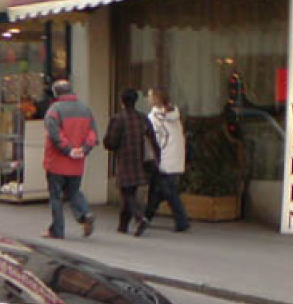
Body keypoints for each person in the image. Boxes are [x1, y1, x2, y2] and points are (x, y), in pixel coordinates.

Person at [41, 78, 98, 239]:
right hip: (77, 163)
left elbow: (55, 134)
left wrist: (68, 150)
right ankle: (85, 213)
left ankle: (57, 231)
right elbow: (92, 134)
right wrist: (84, 149)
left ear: (56, 93)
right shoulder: (85, 109)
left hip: (57, 162)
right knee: (73, 191)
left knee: (56, 197)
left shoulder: (54, 110)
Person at [102, 88, 160, 236]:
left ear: (122, 101)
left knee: (126, 191)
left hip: (125, 158)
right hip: (142, 160)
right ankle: (123, 225)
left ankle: (139, 217)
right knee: (129, 191)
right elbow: (153, 139)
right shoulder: (143, 118)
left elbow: (111, 142)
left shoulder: (118, 118)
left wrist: (107, 143)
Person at [142, 87, 191, 233]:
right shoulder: (174, 114)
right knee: (160, 190)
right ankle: (146, 216)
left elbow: (155, 139)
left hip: (164, 158)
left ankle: (181, 220)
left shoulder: (154, 118)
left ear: (156, 98)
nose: (147, 98)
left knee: (167, 191)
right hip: (175, 157)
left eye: (150, 95)